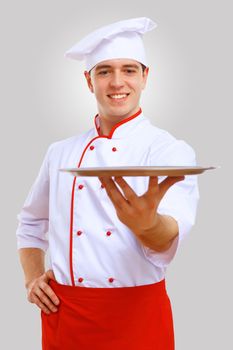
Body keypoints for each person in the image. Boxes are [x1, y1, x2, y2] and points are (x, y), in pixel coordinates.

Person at [16, 17, 199, 350]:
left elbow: (168, 233)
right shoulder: (60, 152)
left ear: (145, 77)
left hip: (137, 315)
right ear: (89, 81)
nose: (117, 82)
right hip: (65, 313)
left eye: (129, 70)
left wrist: (148, 226)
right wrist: (31, 278)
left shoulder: (169, 150)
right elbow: (30, 223)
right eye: (104, 71)